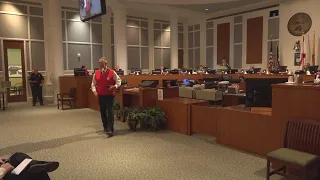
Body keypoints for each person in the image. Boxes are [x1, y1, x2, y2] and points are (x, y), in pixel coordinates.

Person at [91, 58, 122, 137]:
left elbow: (119, 81)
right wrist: (94, 91)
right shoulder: (96, 73)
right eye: (99, 63)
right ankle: (105, 126)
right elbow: (93, 84)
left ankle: (110, 129)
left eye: (102, 63)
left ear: (106, 63)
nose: (100, 64)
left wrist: (114, 86)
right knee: (103, 112)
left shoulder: (112, 72)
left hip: (110, 95)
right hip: (101, 96)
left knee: (110, 112)